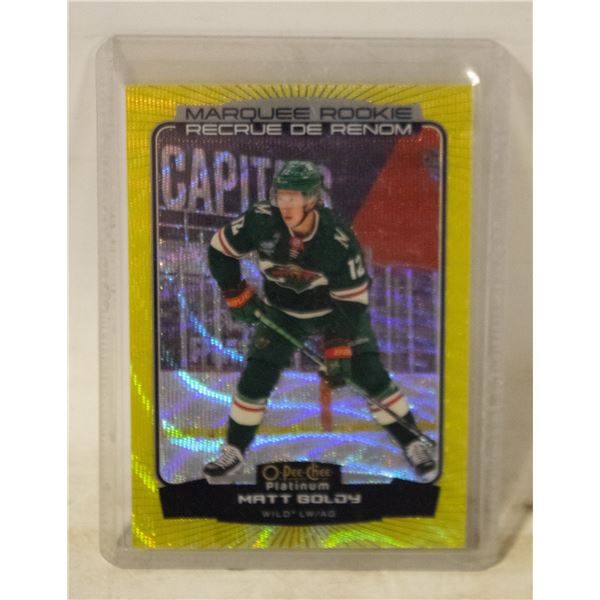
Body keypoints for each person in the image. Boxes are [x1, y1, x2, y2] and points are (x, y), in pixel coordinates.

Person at [204, 160, 436, 481]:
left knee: (370, 376)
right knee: (256, 376)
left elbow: (352, 301)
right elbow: (219, 249)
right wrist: (235, 291)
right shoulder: (260, 220)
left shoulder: (336, 239)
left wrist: (338, 346)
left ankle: (412, 442)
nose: (286, 205)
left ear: (312, 199)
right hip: (283, 313)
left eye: (294, 197)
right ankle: (234, 450)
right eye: (281, 196)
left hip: (334, 312)